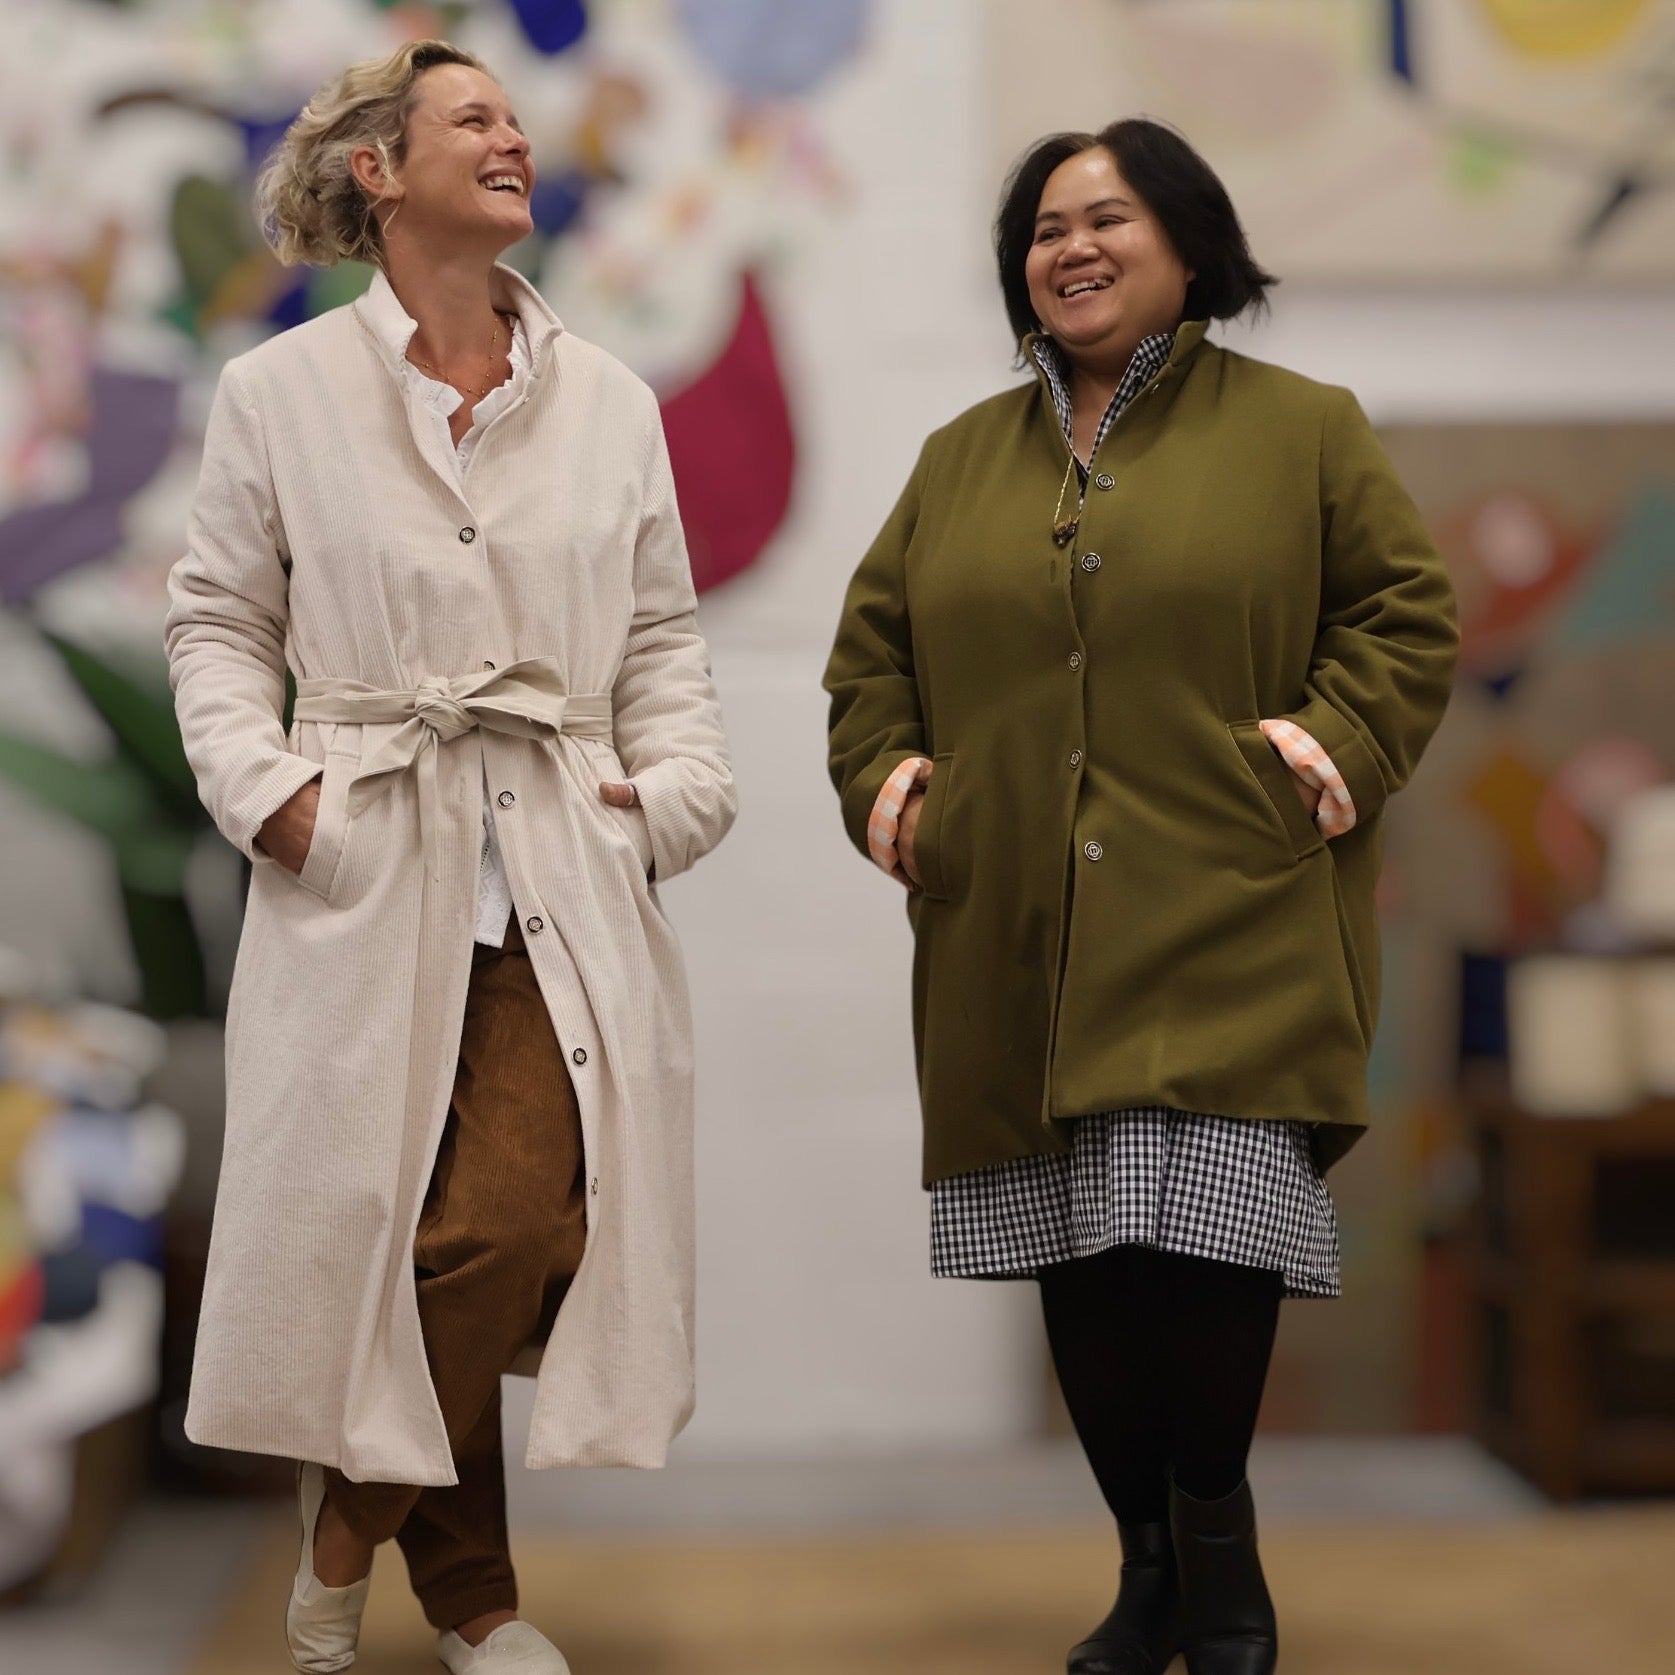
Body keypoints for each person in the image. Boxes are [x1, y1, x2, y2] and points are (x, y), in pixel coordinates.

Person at [824, 119, 1456, 1675]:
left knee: (1206, 1248)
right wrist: (913, 805)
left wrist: (1308, 761)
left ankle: (1220, 1558)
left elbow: (1407, 617)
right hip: (1017, 934)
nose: (1073, 248)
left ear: (1188, 243)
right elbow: (870, 665)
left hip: (1232, 912)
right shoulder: (959, 458)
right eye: (1046, 228)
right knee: (1085, 1260)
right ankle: (1151, 1573)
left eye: (1108, 218)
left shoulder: (1305, 430)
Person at [165, 40, 734, 1675]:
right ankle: (478, 1608)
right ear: (379, 169)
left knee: (504, 1228)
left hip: (557, 861)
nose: (514, 137)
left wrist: (671, 796)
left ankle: (342, 1530)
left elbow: (663, 640)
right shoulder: (278, 395)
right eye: (474, 117)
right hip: (364, 860)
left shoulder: (610, 401)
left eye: (517, 117)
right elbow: (217, 623)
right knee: (388, 1232)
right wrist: (276, 798)